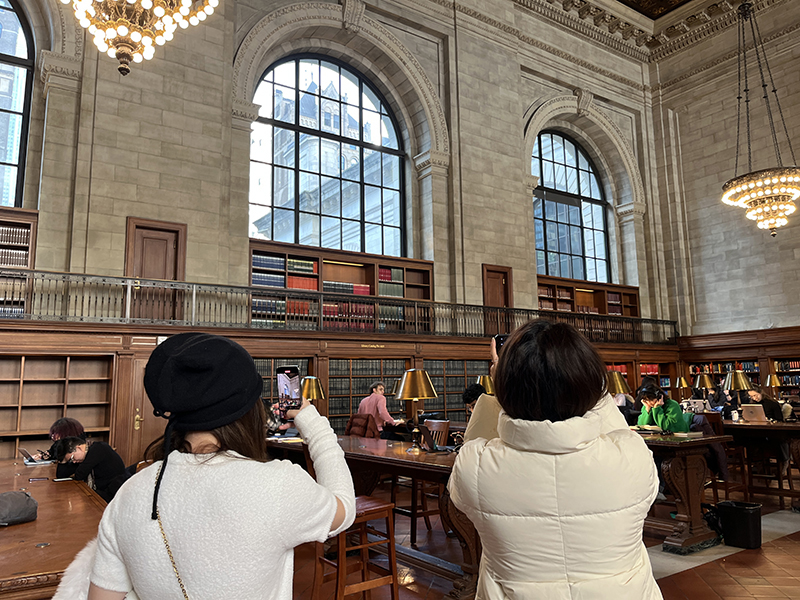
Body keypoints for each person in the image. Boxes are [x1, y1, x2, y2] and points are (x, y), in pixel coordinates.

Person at [87, 332, 355, 600]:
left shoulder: (129, 493)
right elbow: (344, 506)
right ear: (250, 409)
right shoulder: (275, 484)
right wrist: (312, 421)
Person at [448, 319, 661, 598]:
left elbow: (475, 443)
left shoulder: (473, 466)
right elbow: (613, 428)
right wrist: (585, 377)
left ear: (503, 386)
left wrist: (501, 383)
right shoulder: (632, 456)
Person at [51, 436, 128, 502]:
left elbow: (79, 475)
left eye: (72, 458)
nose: (73, 462)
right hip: (102, 493)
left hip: (113, 495)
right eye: (71, 460)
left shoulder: (99, 448)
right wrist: (62, 461)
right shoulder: (83, 457)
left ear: (79, 448)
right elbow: (61, 475)